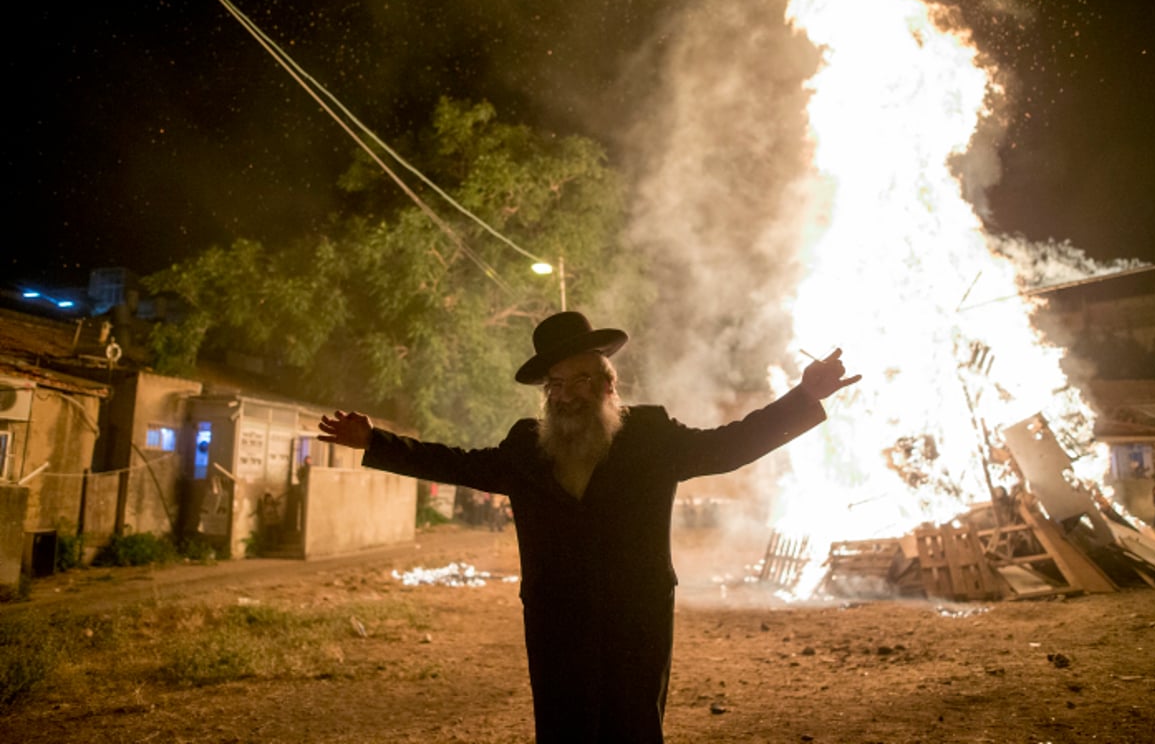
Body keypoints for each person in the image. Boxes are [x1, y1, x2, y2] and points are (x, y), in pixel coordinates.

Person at [318, 310, 859, 743]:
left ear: (607, 384)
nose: (567, 392)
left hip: (637, 619)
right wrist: (376, 441)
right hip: (556, 622)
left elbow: (729, 445)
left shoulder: (649, 436)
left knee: (633, 729)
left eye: (580, 379)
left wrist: (804, 397)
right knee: (563, 730)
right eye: (556, 383)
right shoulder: (525, 448)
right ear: (545, 392)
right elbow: (455, 462)